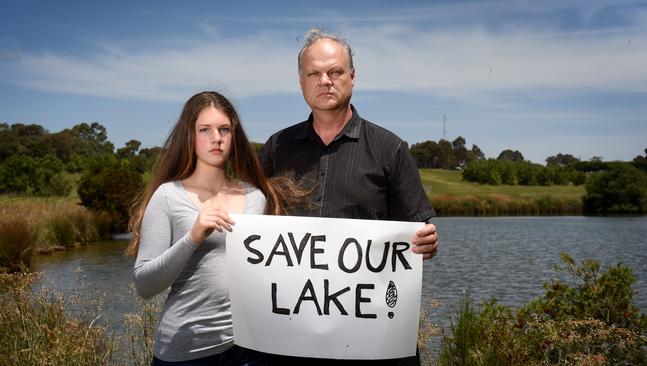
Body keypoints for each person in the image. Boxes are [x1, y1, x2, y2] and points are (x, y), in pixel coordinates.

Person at [260, 28, 439, 365]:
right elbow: (251, 224)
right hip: (292, 335)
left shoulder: (390, 148)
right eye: (314, 73)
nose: (324, 80)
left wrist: (426, 244)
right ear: (301, 82)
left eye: (335, 72)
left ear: (353, 78)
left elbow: (417, 236)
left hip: (369, 338)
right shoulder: (276, 148)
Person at [128, 91, 298, 366]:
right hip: (185, 354)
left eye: (224, 129)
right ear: (189, 136)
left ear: (234, 136)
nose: (216, 138)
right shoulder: (168, 196)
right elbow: (144, 285)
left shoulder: (256, 197)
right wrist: (193, 236)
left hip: (249, 350)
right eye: (204, 129)